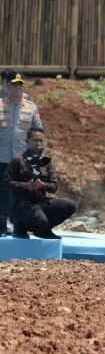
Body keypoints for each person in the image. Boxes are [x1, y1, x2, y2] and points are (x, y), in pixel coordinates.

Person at [4, 127, 75, 239]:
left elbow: (54, 186)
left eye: (41, 140)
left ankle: (44, 230)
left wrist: (43, 185)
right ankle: (19, 224)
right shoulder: (18, 160)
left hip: (40, 202)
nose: (38, 143)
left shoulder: (46, 161)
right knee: (40, 220)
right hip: (22, 205)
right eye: (35, 140)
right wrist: (26, 186)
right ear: (27, 141)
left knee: (69, 205)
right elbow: (6, 182)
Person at [0, 72, 42, 236]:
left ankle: (18, 226)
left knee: (21, 194)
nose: (17, 88)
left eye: (20, 85)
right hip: (2, 158)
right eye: (14, 85)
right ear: (7, 87)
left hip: (22, 161)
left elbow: (38, 133)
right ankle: (1, 225)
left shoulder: (31, 108)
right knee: (2, 192)